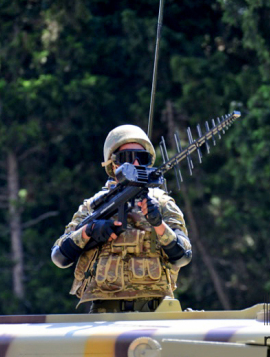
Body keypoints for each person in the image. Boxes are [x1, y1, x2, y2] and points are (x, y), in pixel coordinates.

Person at [51, 124, 191, 312]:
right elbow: (60, 257)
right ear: (112, 163)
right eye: (127, 158)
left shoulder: (163, 204)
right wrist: (89, 231)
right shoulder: (93, 206)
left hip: (155, 312)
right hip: (103, 315)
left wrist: (158, 225)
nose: (135, 164)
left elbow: (183, 257)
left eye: (141, 158)